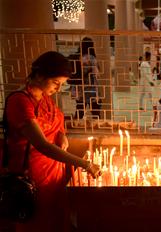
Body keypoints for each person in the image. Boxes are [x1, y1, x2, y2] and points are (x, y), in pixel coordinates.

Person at [2, 51, 101, 232]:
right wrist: (84, 163)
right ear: (39, 75)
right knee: (38, 221)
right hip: (33, 177)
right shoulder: (20, 102)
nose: (58, 89)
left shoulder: (46, 99)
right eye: (56, 82)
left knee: (58, 219)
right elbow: (42, 145)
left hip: (55, 174)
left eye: (61, 84)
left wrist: (62, 134)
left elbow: (57, 121)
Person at [69, 37, 101, 119]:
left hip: (78, 88)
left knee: (79, 110)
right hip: (90, 89)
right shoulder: (91, 58)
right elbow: (96, 74)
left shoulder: (77, 57)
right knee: (95, 112)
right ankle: (98, 129)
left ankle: (76, 127)